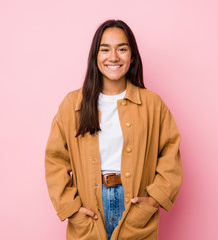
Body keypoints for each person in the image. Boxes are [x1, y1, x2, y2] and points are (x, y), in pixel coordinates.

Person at [45, 19, 182, 240]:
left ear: (132, 56)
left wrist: (155, 198)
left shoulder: (152, 104)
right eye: (105, 49)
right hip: (89, 208)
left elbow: (170, 153)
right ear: (95, 56)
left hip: (135, 208)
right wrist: (71, 208)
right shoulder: (73, 104)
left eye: (122, 49)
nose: (114, 57)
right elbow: (55, 160)